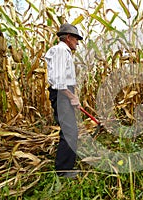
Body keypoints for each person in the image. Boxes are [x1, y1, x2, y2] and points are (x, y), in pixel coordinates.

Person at [45, 23, 83, 178]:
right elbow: (60, 83)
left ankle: (66, 164)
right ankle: (63, 171)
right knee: (69, 132)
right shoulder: (61, 51)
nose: (78, 43)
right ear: (68, 38)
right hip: (62, 95)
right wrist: (72, 96)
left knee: (70, 130)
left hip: (64, 94)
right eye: (76, 39)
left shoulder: (63, 51)